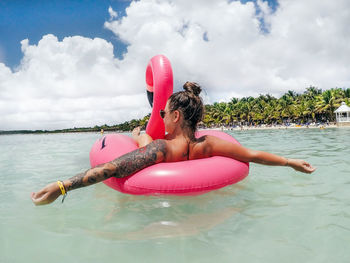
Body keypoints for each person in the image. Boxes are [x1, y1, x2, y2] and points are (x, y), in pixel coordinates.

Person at [31, 82, 316, 206]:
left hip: (156, 200)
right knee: (144, 137)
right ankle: (137, 134)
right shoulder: (209, 145)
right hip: (201, 204)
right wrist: (291, 162)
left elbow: (112, 168)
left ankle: (135, 134)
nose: (161, 116)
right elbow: (253, 155)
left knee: (142, 137)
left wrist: (61, 187)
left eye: (163, 113)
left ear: (176, 115)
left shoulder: (160, 149)